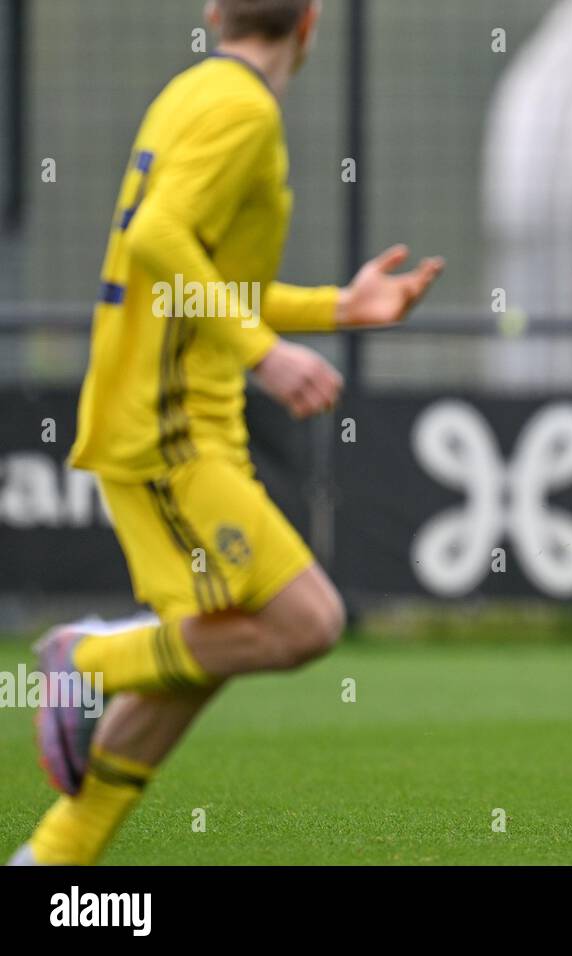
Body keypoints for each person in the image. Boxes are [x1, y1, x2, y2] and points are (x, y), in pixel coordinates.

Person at [8, 0, 443, 866]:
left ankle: (52, 862)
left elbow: (201, 275)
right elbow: (156, 236)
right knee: (307, 624)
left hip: (176, 415)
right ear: (312, 22)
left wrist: (335, 309)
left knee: (207, 652)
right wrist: (267, 355)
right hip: (167, 425)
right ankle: (90, 658)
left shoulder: (196, 90)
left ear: (213, 12)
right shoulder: (242, 109)